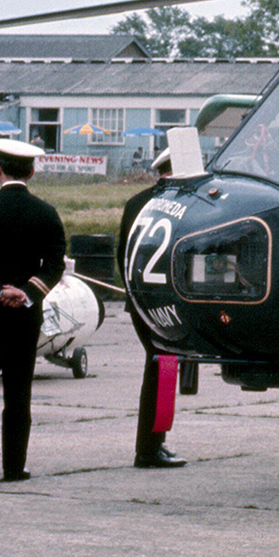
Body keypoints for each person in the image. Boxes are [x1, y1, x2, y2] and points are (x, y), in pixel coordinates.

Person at [0, 140, 67, 482]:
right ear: (32, 171)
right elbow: (55, 264)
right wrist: (23, 292)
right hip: (24, 316)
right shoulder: (46, 213)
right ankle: (13, 466)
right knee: (18, 392)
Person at [117, 152, 186, 469]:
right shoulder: (186, 206)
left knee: (159, 368)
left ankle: (154, 442)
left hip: (141, 300)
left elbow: (123, 255)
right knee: (163, 369)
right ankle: (148, 448)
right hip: (170, 301)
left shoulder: (136, 202)